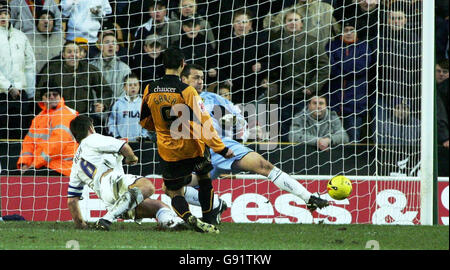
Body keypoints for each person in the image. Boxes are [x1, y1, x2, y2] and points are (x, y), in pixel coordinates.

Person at [180, 64, 330, 224]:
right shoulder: (176, 100)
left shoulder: (215, 99)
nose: (200, 81)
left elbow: (241, 122)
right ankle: (217, 204)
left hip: (223, 147)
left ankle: (308, 198)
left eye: (202, 78)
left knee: (263, 165)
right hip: (194, 153)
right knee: (173, 188)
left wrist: (231, 120)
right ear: (183, 79)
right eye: (196, 78)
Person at [139, 47, 234, 233]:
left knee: (174, 191)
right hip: (193, 146)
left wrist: (159, 128)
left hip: (168, 149)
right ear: (182, 65)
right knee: (205, 180)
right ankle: (209, 220)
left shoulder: (150, 89)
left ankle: (188, 217)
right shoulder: (187, 91)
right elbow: (205, 122)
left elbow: (144, 120)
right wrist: (221, 148)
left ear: (163, 64)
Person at [67, 115, 186, 231]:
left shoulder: (76, 163)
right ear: (90, 128)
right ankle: (108, 218)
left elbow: (72, 200)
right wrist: (131, 158)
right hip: (112, 181)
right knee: (147, 186)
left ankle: (172, 223)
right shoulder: (92, 138)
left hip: (110, 200)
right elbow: (123, 146)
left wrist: (80, 225)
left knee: (160, 207)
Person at [268, 8, 329, 142]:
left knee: (304, 131)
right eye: (290, 20)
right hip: (283, 96)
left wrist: (312, 88)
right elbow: (272, 68)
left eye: (296, 20)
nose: (293, 23)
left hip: (305, 97)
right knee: (283, 131)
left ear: (302, 24)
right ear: (285, 23)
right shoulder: (276, 42)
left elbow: (324, 67)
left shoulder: (312, 41)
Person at [37, 41, 113, 128]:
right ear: (63, 55)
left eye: (76, 52)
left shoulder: (89, 70)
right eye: (69, 52)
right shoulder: (52, 70)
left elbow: (106, 90)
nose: (73, 55)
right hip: (58, 118)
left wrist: (103, 104)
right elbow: (39, 93)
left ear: (80, 55)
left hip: (83, 118)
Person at [327, 21, 374, 142]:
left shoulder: (364, 46)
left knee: (353, 142)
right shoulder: (332, 45)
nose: (348, 33)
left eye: (352, 30)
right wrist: (348, 65)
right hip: (334, 105)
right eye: (345, 30)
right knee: (332, 141)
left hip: (355, 105)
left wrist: (340, 64)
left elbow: (361, 67)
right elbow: (330, 67)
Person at [17, 88, 78, 176]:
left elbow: (56, 145)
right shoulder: (39, 117)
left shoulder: (65, 114)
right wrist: (25, 163)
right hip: (44, 165)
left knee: (26, 177)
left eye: (55, 94)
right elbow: (28, 143)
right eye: (48, 95)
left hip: (62, 167)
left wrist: (35, 164)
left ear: (60, 97)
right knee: (8, 174)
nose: (52, 97)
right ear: (42, 98)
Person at [216, 8, 270, 104]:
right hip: (231, 93)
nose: (241, 25)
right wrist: (224, 78)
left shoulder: (259, 40)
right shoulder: (224, 42)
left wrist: (261, 66)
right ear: (233, 23)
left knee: (257, 119)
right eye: (238, 22)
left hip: (256, 92)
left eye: (244, 22)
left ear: (250, 24)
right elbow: (216, 63)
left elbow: (271, 62)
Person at [0, 1, 36, 139]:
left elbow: (29, 64)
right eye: (0, 14)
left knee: (20, 134)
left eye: (5, 13)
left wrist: (30, 90)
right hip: (2, 95)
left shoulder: (20, 36)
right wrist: (8, 87)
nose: (3, 17)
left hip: (21, 94)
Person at [107, 73, 153, 142]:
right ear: (124, 87)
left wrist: (143, 136)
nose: (133, 87)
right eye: (130, 85)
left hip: (139, 144)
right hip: (121, 143)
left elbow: (148, 124)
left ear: (139, 86)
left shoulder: (144, 104)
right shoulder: (117, 103)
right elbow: (111, 123)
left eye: (135, 85)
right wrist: (117, 136)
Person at [90, 32, 132, 99]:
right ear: (100, 47)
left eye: (113, 43)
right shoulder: (91, 67)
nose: (110, 45)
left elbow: (126, 93)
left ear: (117, 48)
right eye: (107, 42)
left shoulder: (125, 69)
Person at [29, 10, 64, 74]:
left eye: (49, 18)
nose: (46, 21)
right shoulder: (28, 40)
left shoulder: (60, 40)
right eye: (42, 18)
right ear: (37, 22)